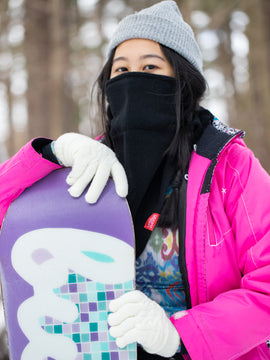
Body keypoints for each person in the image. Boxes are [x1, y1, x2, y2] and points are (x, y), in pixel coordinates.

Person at [0, 1, 270, 359]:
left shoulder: (230, 168)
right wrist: (51, 155)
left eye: (150, 67)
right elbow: (12, 217)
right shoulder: (90, 167)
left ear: (181, 81)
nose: (133, 78)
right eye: (121, 69)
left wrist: (180, 336)